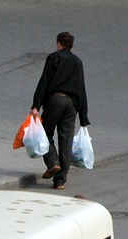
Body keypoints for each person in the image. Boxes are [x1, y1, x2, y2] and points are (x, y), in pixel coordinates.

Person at [30, 31, 89, 191]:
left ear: (58, 43)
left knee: (44, 132)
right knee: (66, 141)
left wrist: (36, 106)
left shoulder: (54, 58)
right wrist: (84, 117)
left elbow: (44, 82)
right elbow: (81, 89)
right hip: (72, 105)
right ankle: (60, 181)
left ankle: (53, 163)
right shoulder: (78, 62)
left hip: (55, 100)